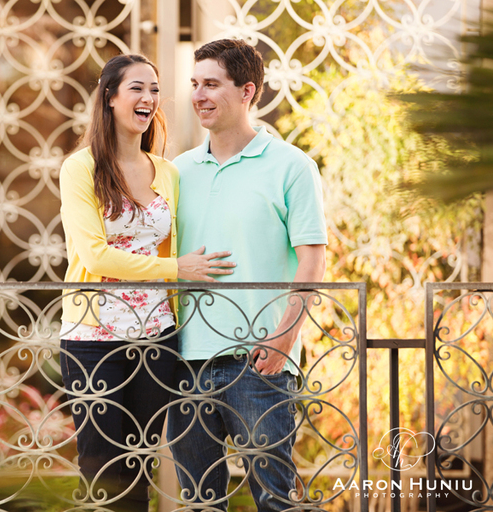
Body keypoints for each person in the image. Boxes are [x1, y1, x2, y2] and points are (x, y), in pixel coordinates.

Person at [58, 54, 235, 512]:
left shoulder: (168, 172)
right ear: (110, 97)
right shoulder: (81, 168)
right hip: (93, 339)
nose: (148, 98)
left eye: (154, 89)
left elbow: (173, 243)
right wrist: (176, 269)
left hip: (157, 336)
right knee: (100, 470)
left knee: (140, 467)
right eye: (137, 88)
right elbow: (95, 255)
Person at [166, 39, 328, 511]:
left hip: (259, 363)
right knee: (199, 504)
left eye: (212, 84)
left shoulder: (292, 167)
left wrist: (284, 338)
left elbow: (312, 260)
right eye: (195, 84)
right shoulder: (178, 172)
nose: (199, 95)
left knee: (275, 501)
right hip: (185, 364)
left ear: (247, 91)